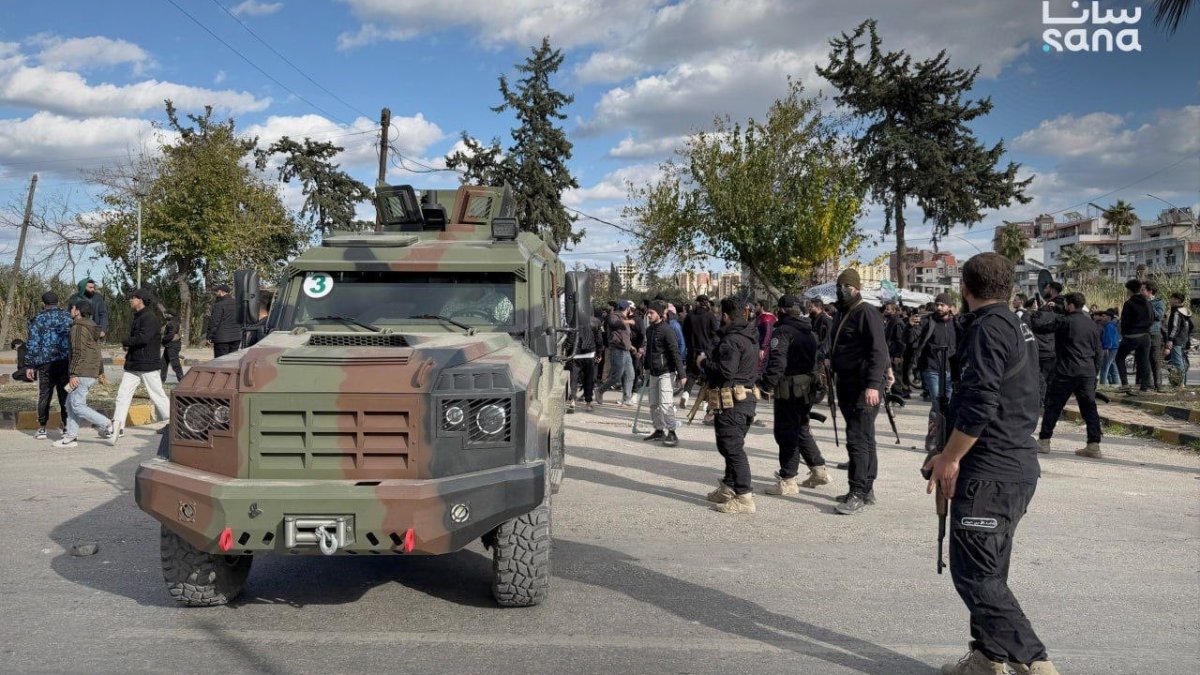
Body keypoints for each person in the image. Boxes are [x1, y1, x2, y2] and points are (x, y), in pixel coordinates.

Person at [925, 253, 1058, 675]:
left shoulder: (989, 328)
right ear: (1010, 287)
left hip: (991, 472)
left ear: (964, 288)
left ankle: (1035, 662)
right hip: (1011, 465)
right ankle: (988, 656)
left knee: (975, 577)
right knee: (990, 571)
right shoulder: (1014, 322)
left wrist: (950, 456)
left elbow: (980, 403)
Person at [828, 269, 892, 515]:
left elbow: (878, 350)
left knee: (857, 438)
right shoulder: (843, 312)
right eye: (840, 285)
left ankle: (857, 491)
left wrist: (873, 385)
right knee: (865, 437)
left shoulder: (866, 312)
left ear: (856, 288)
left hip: (863, 385)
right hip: (846, 382)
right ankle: (866, 488)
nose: (842, 289)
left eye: (847, 285)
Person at [759, 294, 829, 495]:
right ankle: (818, 469)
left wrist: (766, 385)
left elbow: (778, 363)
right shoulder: (809, 331)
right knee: (801, 428)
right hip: (807, 388)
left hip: (789, 390)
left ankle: (788, 479)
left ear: (781, 310)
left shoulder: (782, 332)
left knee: (786, 432)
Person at [699, 297, 760, 514]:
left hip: (733, 402)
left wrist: (704, 363)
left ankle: (744, 497)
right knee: (730, 446)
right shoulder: (750, 335)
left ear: (725, 316)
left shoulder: (731, 340)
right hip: (745, 400)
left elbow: (726, 370)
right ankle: (729, 487)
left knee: (732, 449)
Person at [1036, 292, 1104, 458]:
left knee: (1053, 406)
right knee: (1089, 408)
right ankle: (1094, 445)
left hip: (1066, 371)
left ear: (1070, 305)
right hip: (1087, 372)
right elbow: (1098, 351)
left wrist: (1041, 311)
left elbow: (1040, 327)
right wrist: (1095, 373)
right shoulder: (1092, 324)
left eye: (1065, 304)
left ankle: (1044, 441)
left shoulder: (1064, 321)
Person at [111, 289, 171, 443]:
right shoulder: (138, 316)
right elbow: (138, 338)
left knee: (157, 395)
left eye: (133, 298)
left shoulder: (149, 317)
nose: (130, 300)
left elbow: (143, 338)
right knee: (123, 394)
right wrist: (128, 345)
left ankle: (173, 423)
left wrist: (126, 341)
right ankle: (117, 426)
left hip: (147, 364)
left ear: (141, 300)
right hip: (133, 364)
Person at [55, 299, 113, 447]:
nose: (70, 311)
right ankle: (71, 436)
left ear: (77, 311)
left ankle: (107, 424)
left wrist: (73, 374)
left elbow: (77, 352)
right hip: (89, 371)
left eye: (72, 308)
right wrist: (100, 371)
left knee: (77, 405)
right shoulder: (91, 326)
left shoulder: (78, 327)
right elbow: (97, 351)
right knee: (70, 404)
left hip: (81, 372)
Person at [913, 293, 959, 453]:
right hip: (932, 368)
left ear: (949, 307)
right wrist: (911, 327)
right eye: (937, 304)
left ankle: (946, 437)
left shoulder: (956, 323)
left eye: (942, 305)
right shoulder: (928, 321)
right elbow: (911, 339)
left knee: (950, 404)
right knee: (937, 403)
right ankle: (933, 437)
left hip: (951, 370)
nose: (938, 307)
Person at [25, 292, 72, 440]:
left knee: (45, 394)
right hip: (64, 361)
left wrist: (30, 365)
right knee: (65, 394)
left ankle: (42, 428)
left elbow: (33, 342)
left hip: (45, 362)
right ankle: (67, 427)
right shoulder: (68, 317)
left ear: (43, 303)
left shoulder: (37, 319)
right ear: (58, 301)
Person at [641, 301, 687, 447]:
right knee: (653, 404)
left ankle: (672, 432)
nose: (648, 315)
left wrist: (682, 374)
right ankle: (659, 430)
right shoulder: (649, 330)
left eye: (651, 313)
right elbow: (648, 351)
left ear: (660, 314)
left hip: (666, 372)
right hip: (653, 373)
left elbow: (675, 352)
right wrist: (646, 367)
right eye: (648, 312)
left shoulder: (667, 330)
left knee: (666, 404)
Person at [682, 295, 721, 422]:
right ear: (707, 304)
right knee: (707, 377)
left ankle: (686, 394)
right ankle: (704, 402)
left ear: (697, 303)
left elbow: (685, 331)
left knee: (691, 373)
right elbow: (715, 333)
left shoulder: (690, 315)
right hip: (706, 351)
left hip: (692, 350)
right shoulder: (710, 316)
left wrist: (689, 345)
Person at [1116, 279, 1153, 393]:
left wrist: (1123, 333)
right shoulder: (1148, 302)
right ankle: (1144, 388)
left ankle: (1125, 384)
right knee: (1144, 361)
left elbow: (1125, 321)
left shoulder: (1129, 303)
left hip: (1131, 336)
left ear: (1129, 290)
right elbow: (1152, 318)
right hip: (1146, 336)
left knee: (1119, 358)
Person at [597, 300, 636, 406]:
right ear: (628, 308)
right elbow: (614, 324)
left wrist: (631, 346)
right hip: (617, 350)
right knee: (617, 376)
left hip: (626, 350)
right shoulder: (614, 316)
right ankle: (600, 391)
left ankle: (627, 399)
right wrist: (628, 322)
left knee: (630, 374)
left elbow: (624, 336)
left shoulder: (624, 318)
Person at [567, 310, 602, 413]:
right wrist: (599, 353)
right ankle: (588, 403)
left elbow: (570, 339)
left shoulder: (573, 322)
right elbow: (599, 340)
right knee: (589, 379)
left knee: (574, 379)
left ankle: (572, 401)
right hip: (589, 354)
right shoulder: (596, 322)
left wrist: (568, 352)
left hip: (576, 354)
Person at [1163, 292, 1192, 386]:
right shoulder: (1185, 311)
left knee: (1178, 362)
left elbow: (1175, 327)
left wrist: (1170, 339)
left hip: (1177, 341)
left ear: (1177, 300)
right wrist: (1186, 336)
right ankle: (1181, 382)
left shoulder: (1176, 312)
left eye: (1171, 298)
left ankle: (1181, 384)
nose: (1170, 300)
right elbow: (1191, 326)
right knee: (1182, 362)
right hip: (1184, 340)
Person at [207, 283, 242, 357]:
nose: (215, 293)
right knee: (232, 360)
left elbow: (214, 322)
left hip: (222, 339)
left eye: (216, 291)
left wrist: (209, 336)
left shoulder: (219, 305)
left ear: (221, 291)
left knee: (221, 361)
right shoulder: (238, 304)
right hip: (236, 337)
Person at [1144, 280, 1166, 391]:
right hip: (1142, 333)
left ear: (1150, 291)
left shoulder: (1158, 302)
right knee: (1145, 359)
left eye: (1143, 289)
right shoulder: (1140, 302)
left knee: (1155, 360)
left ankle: (1158, 385)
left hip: (1154, 334)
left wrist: (1149, 306)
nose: (1141, 291)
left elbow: (1159, 316)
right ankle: (1149, 384)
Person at [161, 311, 185, 383]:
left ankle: (182, 381)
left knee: (175, 364)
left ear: (170, 315)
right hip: (169, 345)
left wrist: (163, 339)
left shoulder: (172, 323)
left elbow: (171, 334)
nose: (165, 315)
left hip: (172, 346)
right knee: (163, 363)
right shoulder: (173, 322)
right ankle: (162, 380)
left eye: (166, 314)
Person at [1098, 309, 1121, 385]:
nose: (1102, 318)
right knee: (1112, 367)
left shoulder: (1109, 326)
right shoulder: (1112, 325)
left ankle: (1102, 385)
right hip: (1114, 348)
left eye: (1103, 316)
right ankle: (1116, 383)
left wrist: (1106, 348)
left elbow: (1109, 339)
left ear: (1108, 317)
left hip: (1110, 348)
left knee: (1105, 368)